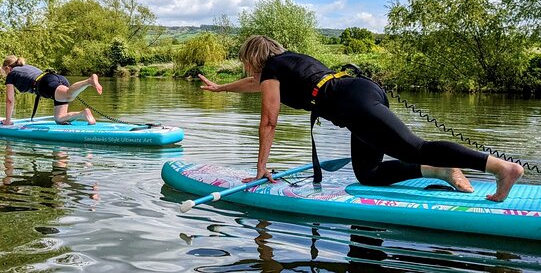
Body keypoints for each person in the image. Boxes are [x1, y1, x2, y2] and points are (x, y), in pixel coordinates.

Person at [198, 35, 524, 202]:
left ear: (253, 57)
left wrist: (261, 168)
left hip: (352, 104)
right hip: (360, 94)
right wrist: (221, 89)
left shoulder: (272, 70)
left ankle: (500, 168)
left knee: (414, 147)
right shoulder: (288, 63)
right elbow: (254, 85)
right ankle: (439, 169)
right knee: (368, 173)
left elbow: (269, 121)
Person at [0, 55, 103, 125]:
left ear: (8, 68)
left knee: (68, 94)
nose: (5, 75)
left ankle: (88, 81)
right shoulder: (26, 67)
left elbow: (9, 100)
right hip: (56, 78)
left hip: (46, 84)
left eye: (5, 72)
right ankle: (83, 114)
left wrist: (7, 121)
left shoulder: (11, 74)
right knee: (59, 118)